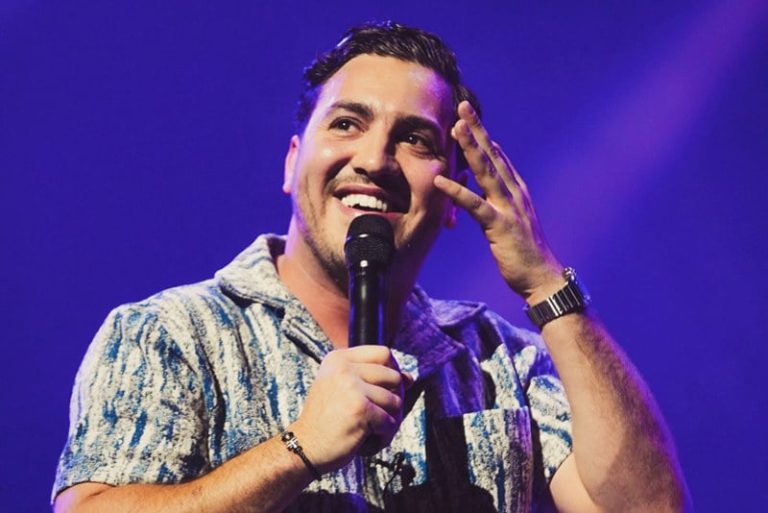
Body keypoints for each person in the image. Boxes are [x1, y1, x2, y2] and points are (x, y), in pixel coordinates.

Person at [53, 21, 691, 513]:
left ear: (452, 196)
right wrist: (299, 449)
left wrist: (548, 284)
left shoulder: (505, 364)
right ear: (292, 161)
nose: (375, 159)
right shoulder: (170, 334)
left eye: (415, 139)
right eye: (347, 123)